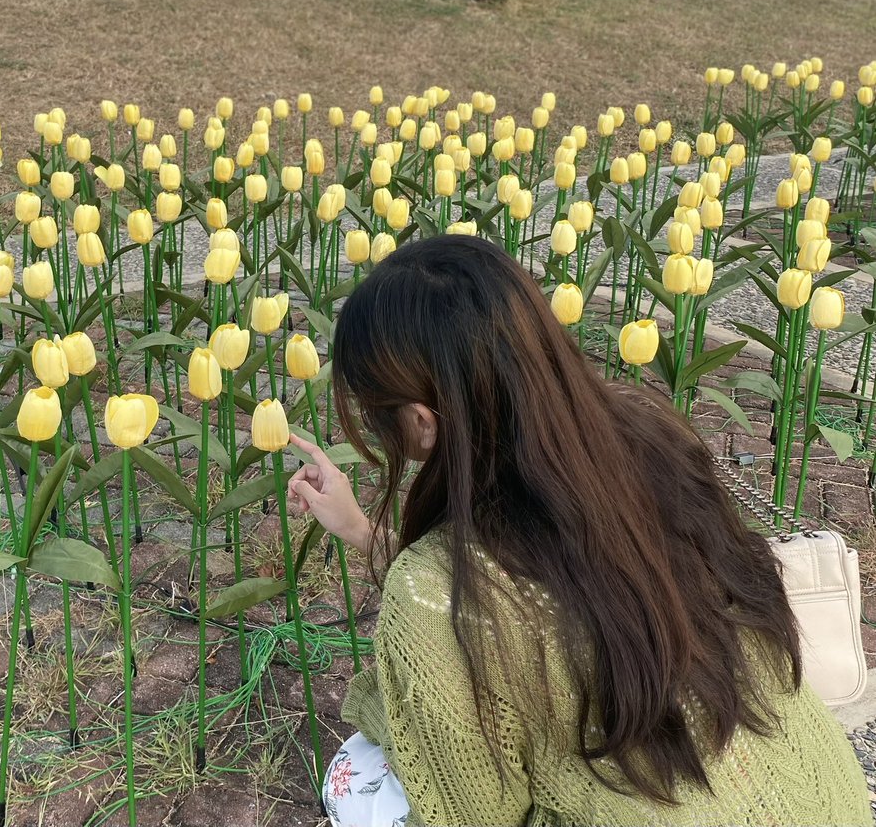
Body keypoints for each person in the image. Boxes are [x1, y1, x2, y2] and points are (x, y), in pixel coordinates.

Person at [288, 235, 870, 827]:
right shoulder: (645, 437)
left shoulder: (434, 595)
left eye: (370, 409)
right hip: (814, 788)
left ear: (419, 421)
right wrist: (364, 531)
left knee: (357, 780)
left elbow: (475, 815)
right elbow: (540, 603)